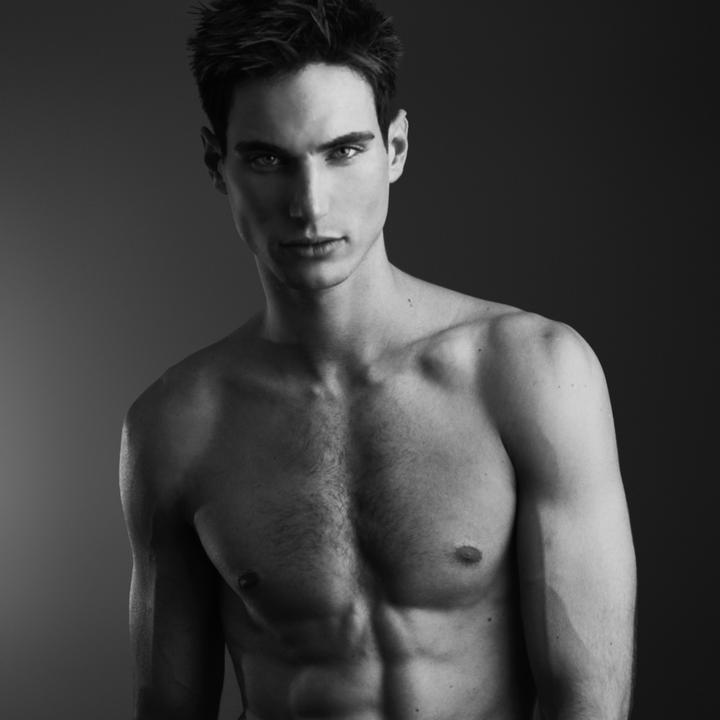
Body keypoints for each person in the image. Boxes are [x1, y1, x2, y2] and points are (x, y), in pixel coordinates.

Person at [119, 1, 637, 718]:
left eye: (344, 151)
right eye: (268, 159)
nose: (309, 204)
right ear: (218, 164)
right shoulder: (175, 424)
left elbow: (589, 700)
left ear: (395, 148)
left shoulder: (533, 373)